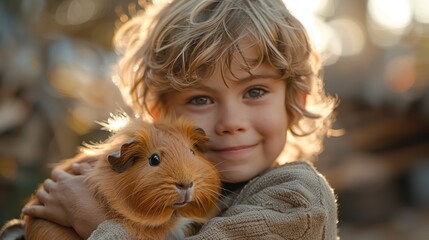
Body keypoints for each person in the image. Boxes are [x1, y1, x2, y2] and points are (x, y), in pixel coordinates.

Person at [22, 0, 339, 239]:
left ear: (294, 101)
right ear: (160, 116)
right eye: (200, 99)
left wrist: (93, 221)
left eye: (255, 91)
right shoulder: (152, 179)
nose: (231, 121)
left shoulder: (298, 198)